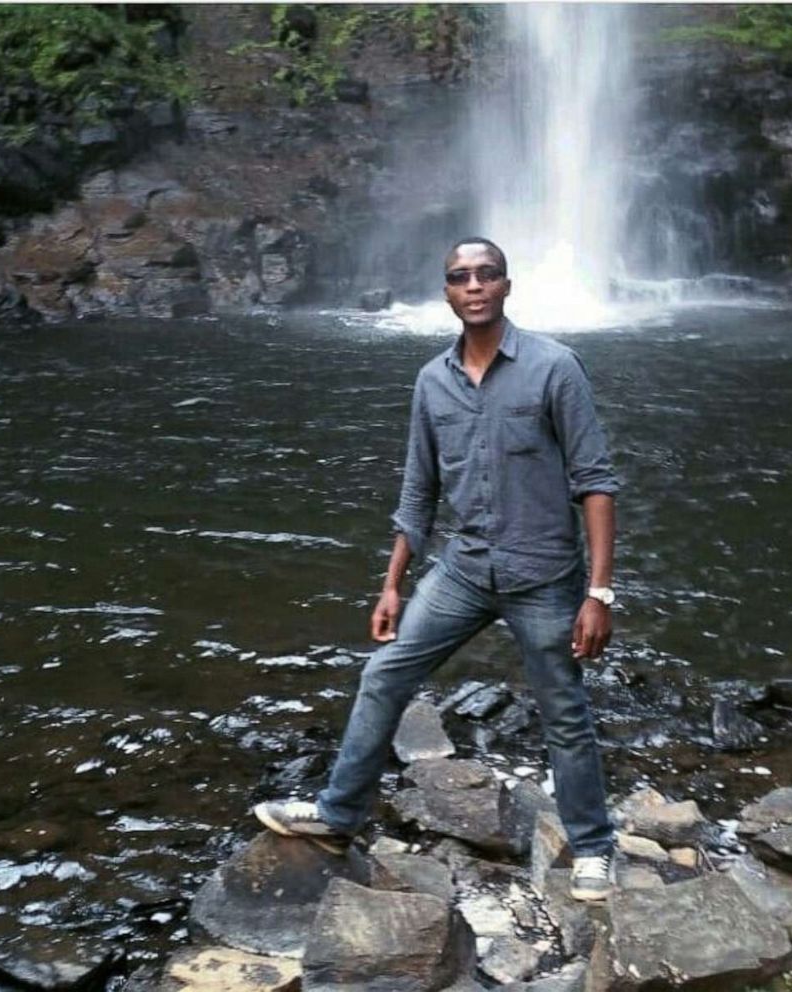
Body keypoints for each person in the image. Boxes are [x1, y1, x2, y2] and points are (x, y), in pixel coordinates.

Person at [254, 237, 620, 901]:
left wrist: (598, 592)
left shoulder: (555, 368)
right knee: (383, 675)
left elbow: (595, 483)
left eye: (486, 274)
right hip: (462, 568)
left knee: (564, 712)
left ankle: (594, 848)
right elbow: (417, 492)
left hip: (543, 575)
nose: (473, 285)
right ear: (447, 292)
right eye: (460, 276)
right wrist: (393, 583)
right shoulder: (432, 381)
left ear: (507, 286)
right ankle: (338, 815)